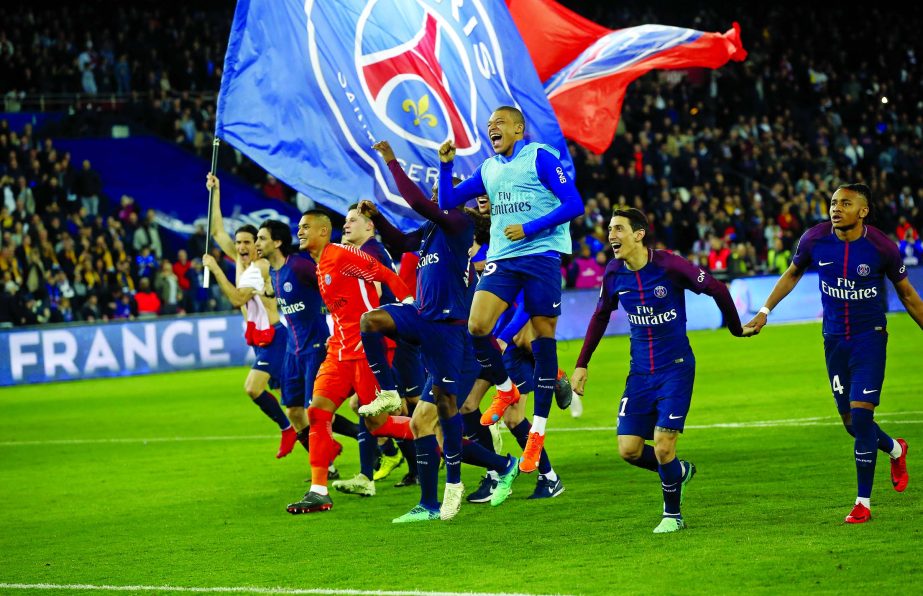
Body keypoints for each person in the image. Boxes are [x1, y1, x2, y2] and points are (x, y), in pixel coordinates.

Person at [357, 140, 520, 522]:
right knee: (372, 322)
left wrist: (392, 162)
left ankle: (457, 485)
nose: (434, 199)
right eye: (433, 195)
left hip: (450, 333)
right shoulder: (432, 230)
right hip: (424, 319)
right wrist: (378, 219)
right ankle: (390, 393)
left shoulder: (459, 225)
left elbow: (417, 202)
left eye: (439, 195)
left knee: (440, 418)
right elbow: (400, 243)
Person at [744, 184, 922, 524]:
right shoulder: (814, 239)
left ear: (863, 211)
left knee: (863, 416)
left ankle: (863, 503)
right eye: (833, 203)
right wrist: (765, 311)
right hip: (834, 340)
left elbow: (909, 297)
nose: (836, 208)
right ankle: (897, 449)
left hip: (869, 339)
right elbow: (792, 273)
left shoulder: (882, 247)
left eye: (845, 203)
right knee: (852, 424)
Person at [572, 208, 751, 533]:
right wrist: (582, 363)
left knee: (664, 444)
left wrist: (735, 329)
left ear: (639, 234)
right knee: (629, 450)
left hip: (676, 369)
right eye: (610, 229)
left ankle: (673, 515)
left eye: (618, 229)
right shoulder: (613, 273)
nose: (611, 235)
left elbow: (718, 289)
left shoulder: (670, 265)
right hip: (639, 373)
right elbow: (600, 316)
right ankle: (678, 472)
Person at [437, 105, 583, 473]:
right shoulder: (488, 168)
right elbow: (447, 202)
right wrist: (445, 166)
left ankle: (538, 432)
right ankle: (506, 389)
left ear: (519, 129)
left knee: (542, 339)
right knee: (477, 327)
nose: (492, 129)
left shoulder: (540, 157)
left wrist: (531, 228)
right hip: (505, 257)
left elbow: (574, 204)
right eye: (489, 126)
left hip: (541, 255)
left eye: (499, 123)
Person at [285, 209, 416, 514]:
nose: (300, 231)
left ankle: (440, 432)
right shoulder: (319, 266)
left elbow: (385, 274)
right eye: (299, 227)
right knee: (316, 412)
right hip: (339, 352)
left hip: (366, 352)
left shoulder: (343, 255)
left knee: (378, 422)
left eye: (306, 227)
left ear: (322, 231)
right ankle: (318, 491)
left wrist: (409, 309)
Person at [201, 173, 296, 459]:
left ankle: (287, 429)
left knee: (254, 389)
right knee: (294, 405)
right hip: (259, 338)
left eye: (247, 242)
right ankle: (326, 462)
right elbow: (217, 232)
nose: (240, 247)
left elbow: (237, 299)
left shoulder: (260, 266)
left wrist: (215, 269)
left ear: (258, 244)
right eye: (238, 242)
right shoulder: (242, 261)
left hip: (275, 336)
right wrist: (214, 192)